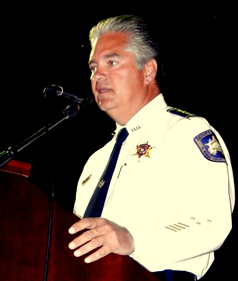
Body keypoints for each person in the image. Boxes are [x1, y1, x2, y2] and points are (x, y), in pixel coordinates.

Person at [67, 15, 235, 280]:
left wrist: (131, 237)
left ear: (148, 71)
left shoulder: (186, 132)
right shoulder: (96, 161)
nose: (97, 75)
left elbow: (211, 224)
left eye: (112, 62)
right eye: (92, 67)